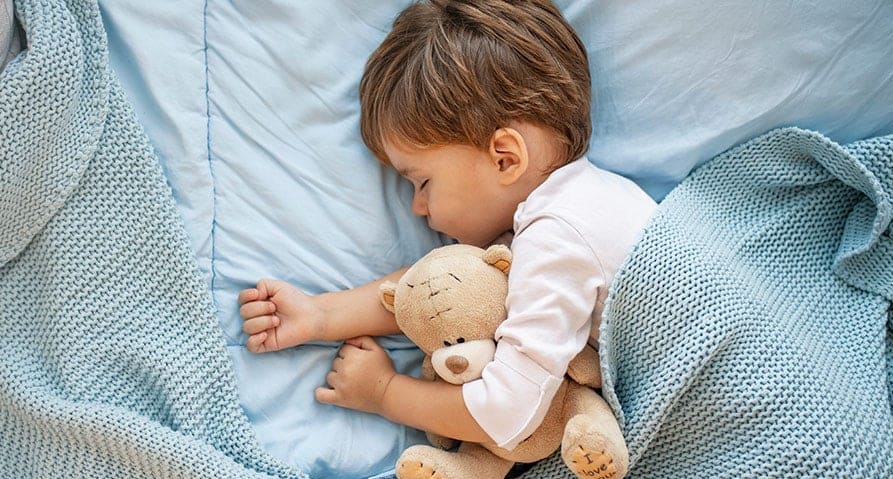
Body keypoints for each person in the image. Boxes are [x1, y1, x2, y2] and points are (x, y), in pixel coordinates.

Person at [238, 0, 657, 451]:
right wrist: (320, 315)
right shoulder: (574, 204)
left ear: (505, 158)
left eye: (422, 182)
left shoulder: (559, 236)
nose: (418, 207)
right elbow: (443, 290)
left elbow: (508, 412)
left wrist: (384, 393)